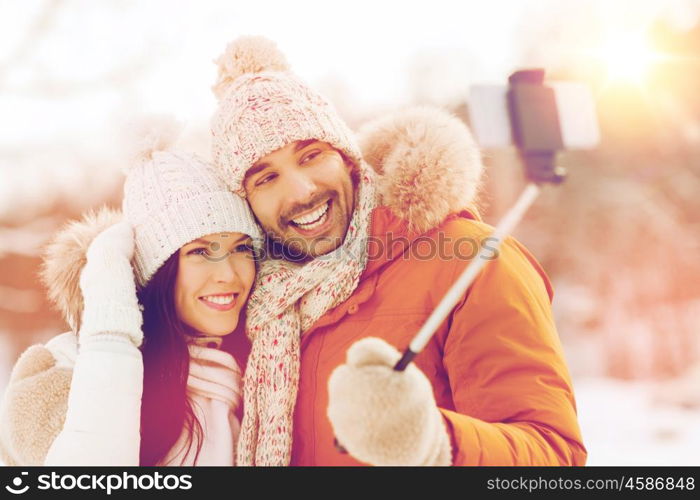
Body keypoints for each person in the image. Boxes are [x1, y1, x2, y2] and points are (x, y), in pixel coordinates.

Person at [209, 36, 587, 466]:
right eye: (265, 178)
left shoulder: (470, 262)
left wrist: (433, 441)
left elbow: (552, 456)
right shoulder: (253, 307)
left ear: (347, 158)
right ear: (247, 203)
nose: (301, 190)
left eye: (311, 155)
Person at [0, 124, 261, 466]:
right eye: (199, 252)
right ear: (156, 269)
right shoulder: (63, 369)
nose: (228, 274)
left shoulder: (257, 374)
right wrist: (110, 332)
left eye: (241, 248)